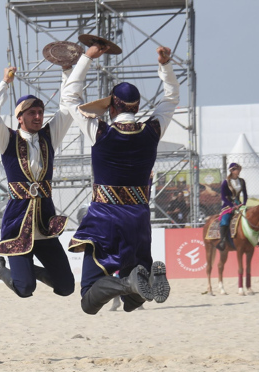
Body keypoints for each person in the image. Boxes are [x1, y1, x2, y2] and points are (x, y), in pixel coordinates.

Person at [63, 43, 179, 314]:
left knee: (88, 299)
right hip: (138, 219)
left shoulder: (99, 131)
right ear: (136, 106)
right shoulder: (153, 130)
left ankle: (128, 283)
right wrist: (165, 65)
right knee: (132, 302)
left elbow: (69, 97)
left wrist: (87, 58)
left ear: (112, 107)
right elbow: (171, 98)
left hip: (105, 218)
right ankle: (140, 282)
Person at [0, 62, 75, 299]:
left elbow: (66, 110)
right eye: (32, 113)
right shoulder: (8, 139)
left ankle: (25, 272)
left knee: (66, 287)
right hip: (18, 224)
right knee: (25, 289)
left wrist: (67, 73)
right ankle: (0, 269)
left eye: (40, 112)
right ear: (20, 117)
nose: (38, 116)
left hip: (44, 223)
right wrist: (5, 83)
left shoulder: (49, 137)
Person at [216, 163, 248, 251]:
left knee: (248, 216)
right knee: (225, 219)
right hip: (228, 205)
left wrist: (244, 203)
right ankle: (222, 241)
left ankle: (254, 239)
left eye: (239, 169)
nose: (238, 171)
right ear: (232, 171)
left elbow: (245, 194)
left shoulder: (242, 181)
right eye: (236, 169)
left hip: (239, 204)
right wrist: (231, 205)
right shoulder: (226, 182)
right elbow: (223, 197)